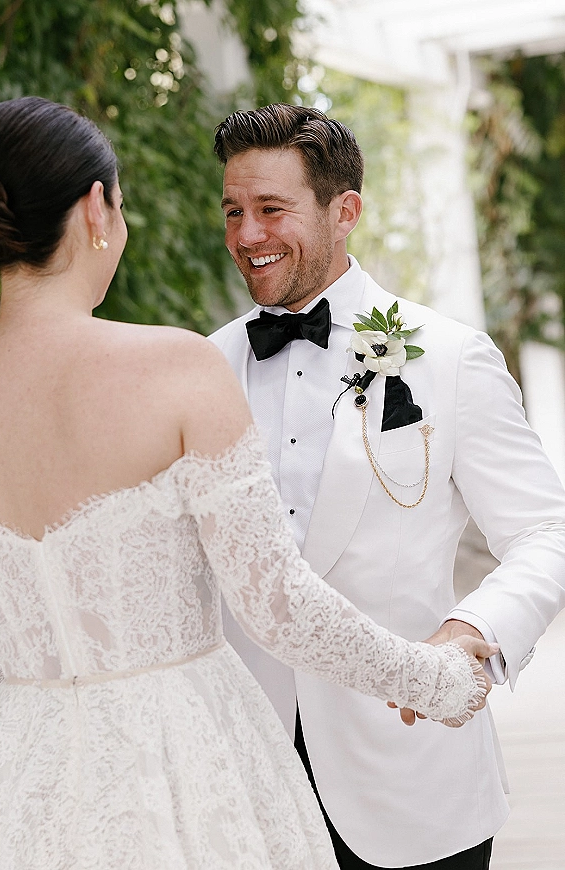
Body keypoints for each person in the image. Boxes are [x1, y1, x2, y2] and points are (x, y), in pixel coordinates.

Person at [0, 96, 496, 870]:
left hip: (22, 771)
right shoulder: (179, 365)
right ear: (96, 208)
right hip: (186, 759)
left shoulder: (445, 354)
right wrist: (436, 681)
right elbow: (275, 602)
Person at [210, 103, 565, 870]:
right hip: (246, 783)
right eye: (234, 211)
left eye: (272, 209)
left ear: (346, 213)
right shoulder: (198, 371)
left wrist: (472, 634)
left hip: (414, 775)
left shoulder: (449, 356)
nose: (246, 236)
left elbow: (546, 533)